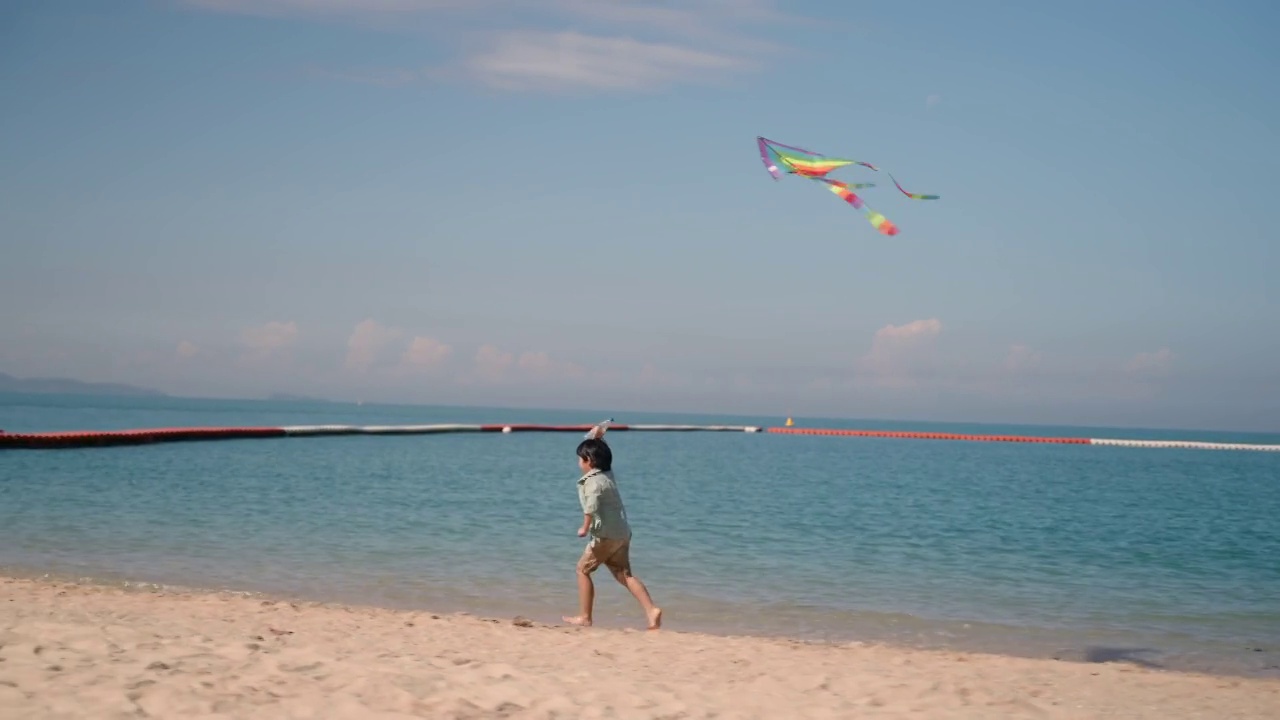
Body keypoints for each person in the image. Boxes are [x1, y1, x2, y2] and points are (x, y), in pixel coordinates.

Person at [562, 434, 662, 631]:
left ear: (588, 461)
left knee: (582, 570)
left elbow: (590, 506)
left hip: (605, 536)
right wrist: (597, 437)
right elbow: (603, 456)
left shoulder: (592, 482)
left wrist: (584, 526)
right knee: (624, 575)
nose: (578, 462)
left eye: (580, 459)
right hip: (622, 533)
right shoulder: (607, 475)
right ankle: (651, 610)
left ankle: (585, 617)